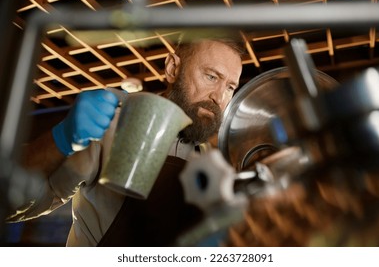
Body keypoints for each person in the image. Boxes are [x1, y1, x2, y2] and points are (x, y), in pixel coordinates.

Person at [7, 33, 244, 246]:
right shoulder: (116, 121)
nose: (218, 97)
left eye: (230, 87)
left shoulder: (212, 155)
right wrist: (62, 138)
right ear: (173, 68)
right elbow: (13, 204)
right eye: (212, 77)